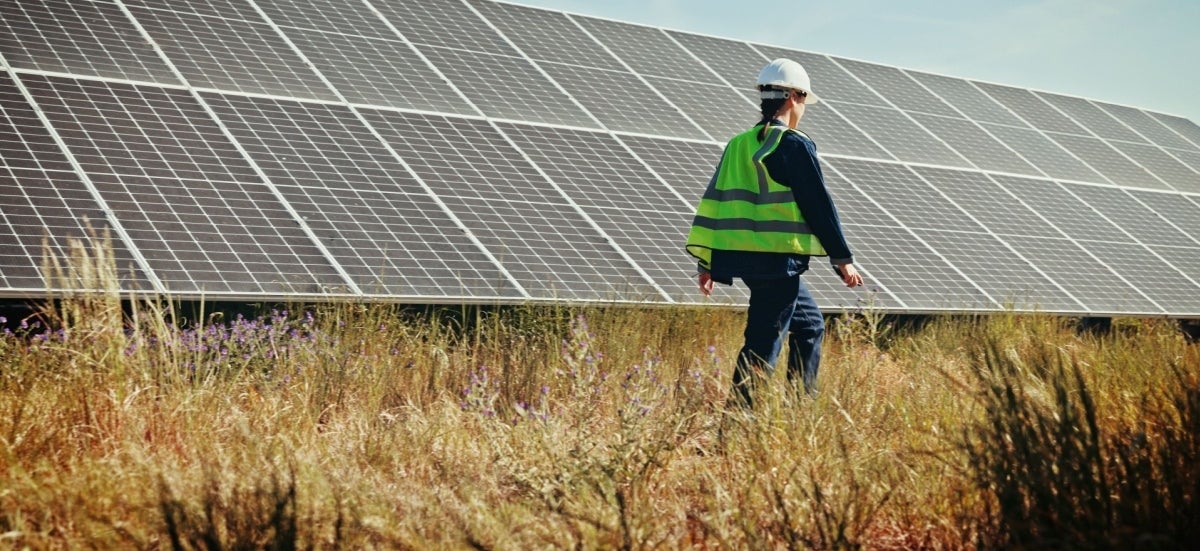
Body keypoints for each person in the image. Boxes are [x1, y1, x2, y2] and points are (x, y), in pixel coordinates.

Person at [686, 58, 864, 407]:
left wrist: (705, 260)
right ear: (794, 96)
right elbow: (818, 204)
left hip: (747, 259)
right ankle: (736, 427)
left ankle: (800, 407)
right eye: (803, 101)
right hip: (777, 261)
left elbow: (714, 202)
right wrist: (842, 258)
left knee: (810, 325)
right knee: (764, 342)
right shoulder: (793, 144)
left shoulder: (739, 144)